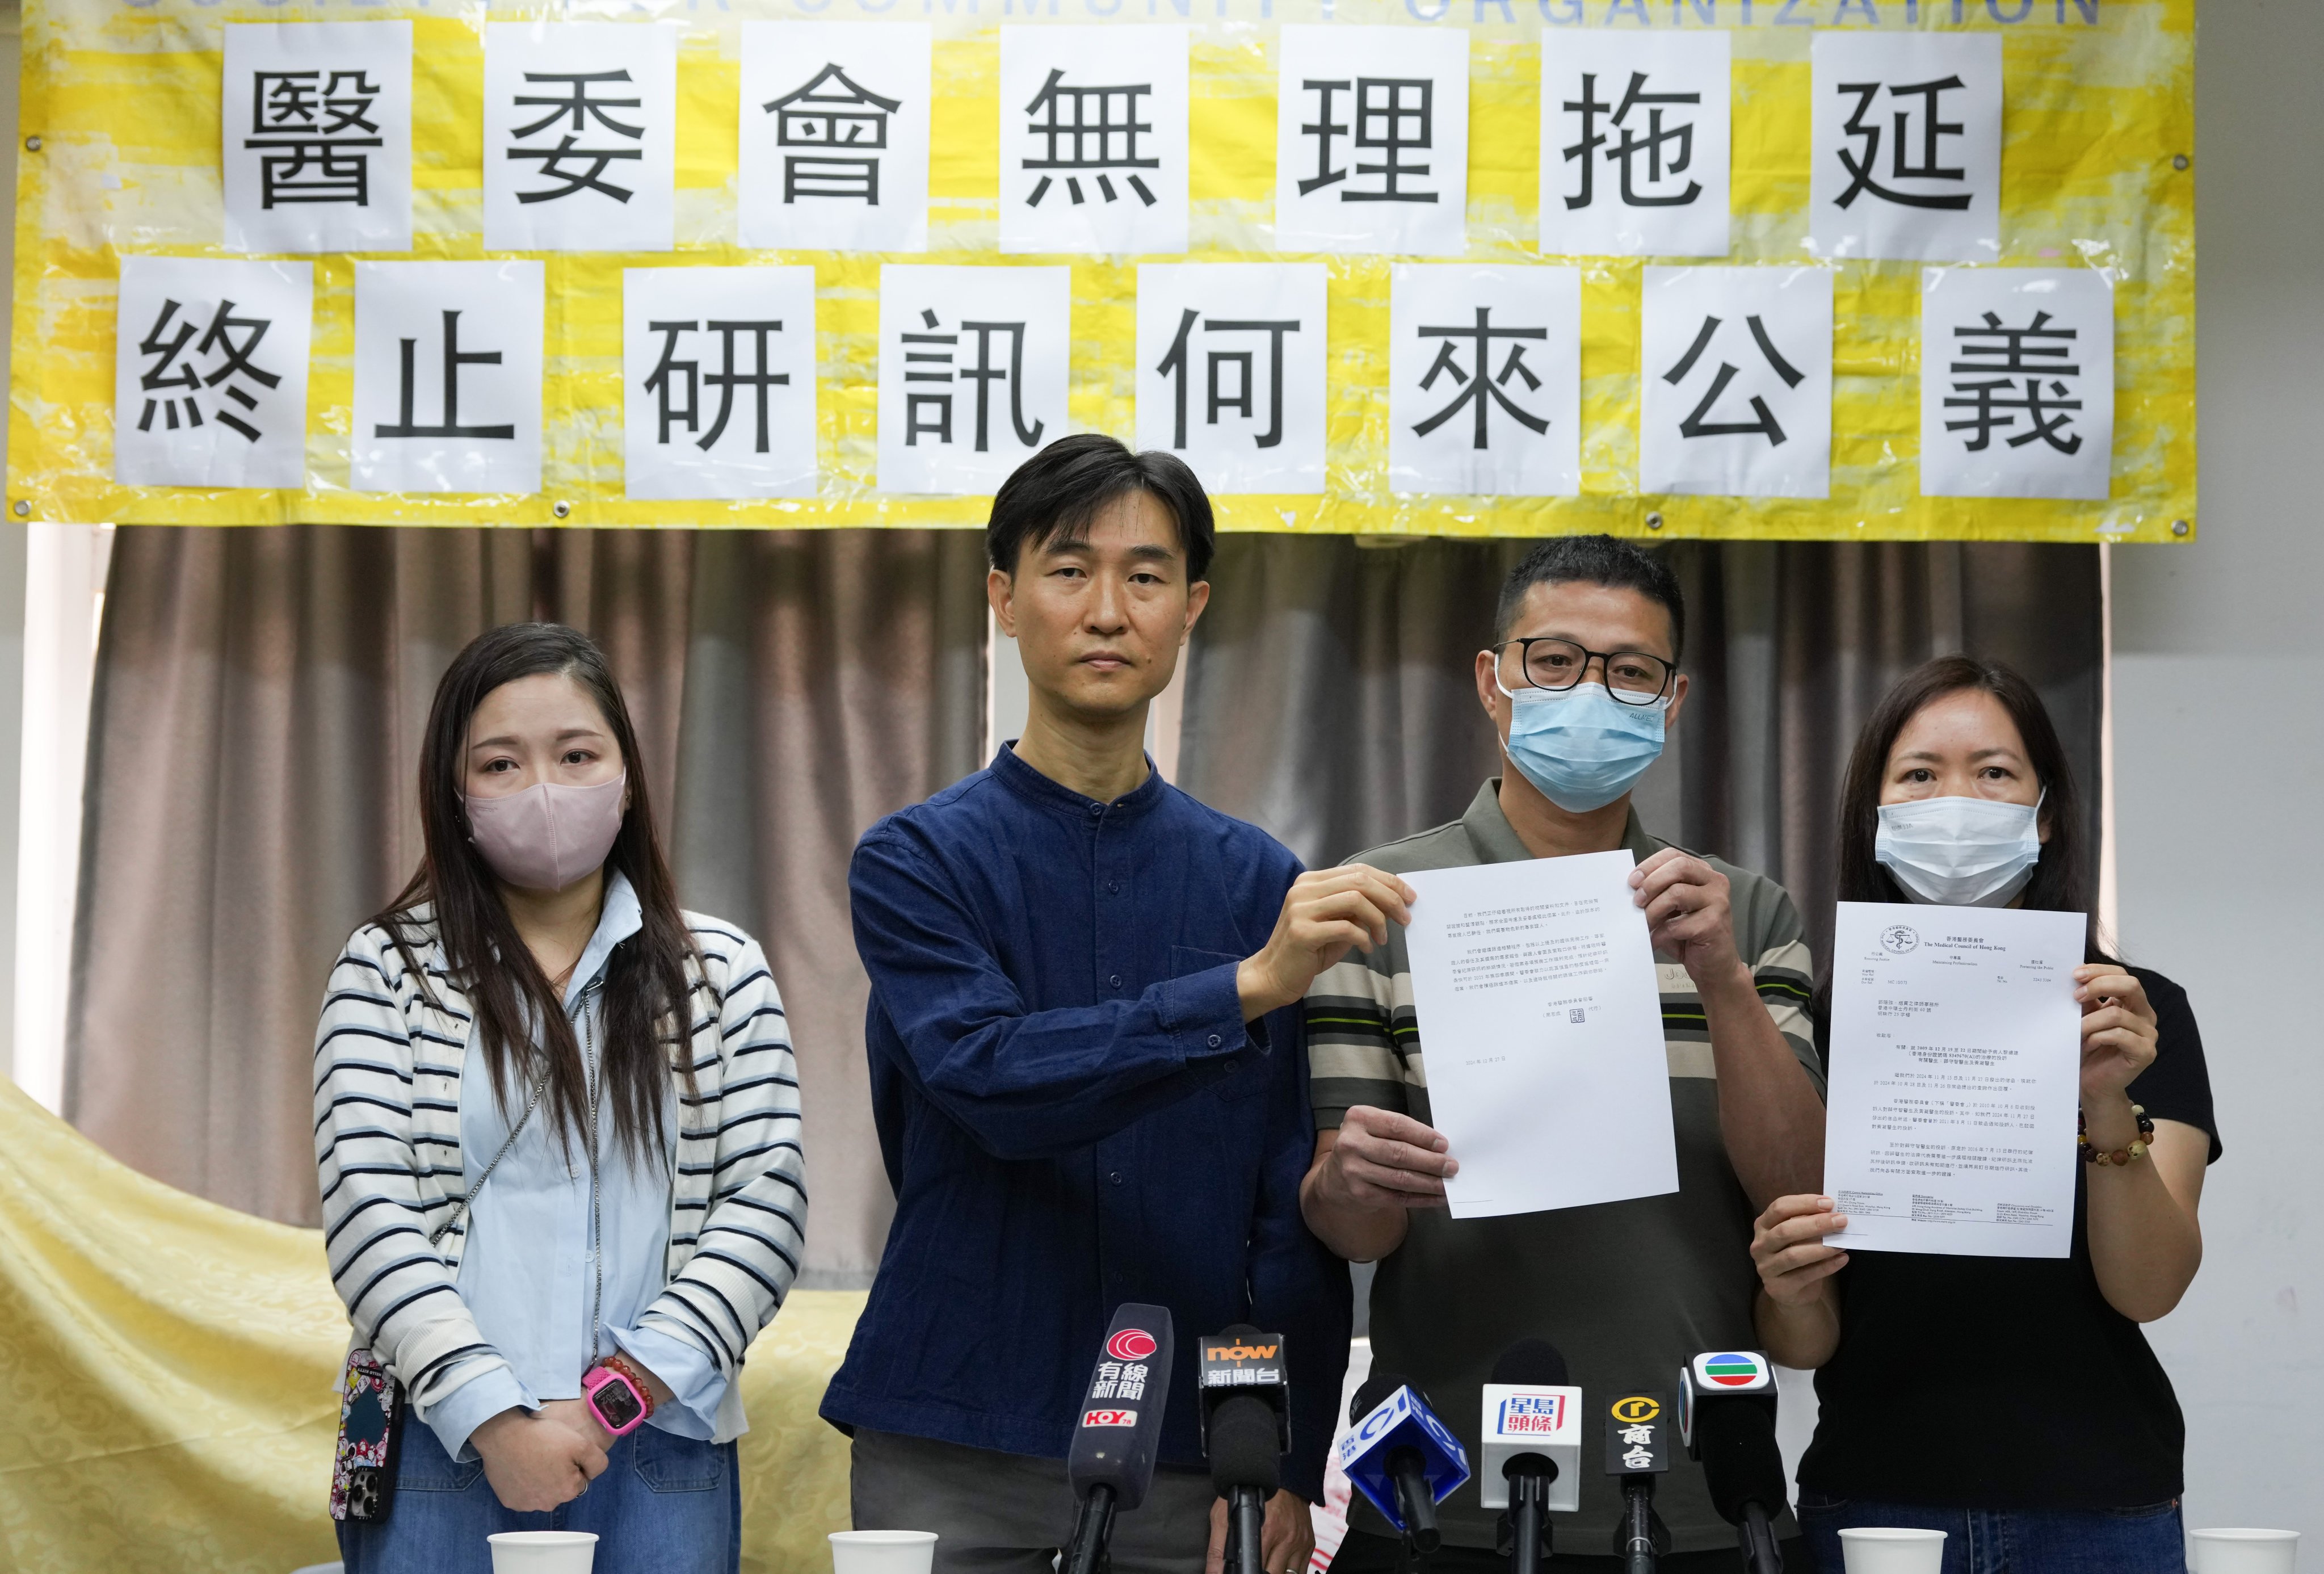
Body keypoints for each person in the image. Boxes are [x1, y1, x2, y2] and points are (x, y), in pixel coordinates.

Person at [825, 435, 1396, 1574]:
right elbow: (991, 1078)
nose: (1105, 611)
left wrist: (1286, 1463)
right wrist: (1242, 987)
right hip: (952, 1424)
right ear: (1003, 598)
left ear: (1191, 609)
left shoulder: (1260, 881)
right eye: (1068, 570)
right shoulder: (915, 860)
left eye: (1144, 577)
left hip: (1193, 1451)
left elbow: (1285, 1207)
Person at [1299, 536, 1827, 1571]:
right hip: (1439, 1490)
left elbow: (1799, 1187)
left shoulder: (1746, 911)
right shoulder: (1383, 902)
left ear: (1672, 703)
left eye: (1630, 670)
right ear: (1491, 681)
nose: (1590, 691)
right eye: (1554, 661)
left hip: (1699, 1485)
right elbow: (1354, 1228)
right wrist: (1348, 1179)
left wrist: (1720, 975)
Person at [319, 623, 807, 1574]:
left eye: (577, 755)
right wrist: (494, 1416)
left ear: (627, 777)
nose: (543, 788)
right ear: (455, 795)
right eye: (500, 763)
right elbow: (368, 1213)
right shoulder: (386, 968)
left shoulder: (720, 972)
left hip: (657, 1438)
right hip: (438, 1442)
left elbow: (764, 1208)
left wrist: (613, 1398)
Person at [1750, 656, 2218, 1572]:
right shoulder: (1818, 1024)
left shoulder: (2134, 1014)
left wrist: (2104, 1098)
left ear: (2044, 814)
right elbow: (1804, 1340)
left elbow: (2150, 1289)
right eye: (1920, 774)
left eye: (1994, 771)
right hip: (1877, 1495)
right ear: (1877, 817)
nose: (1956, 801)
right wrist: (1786, 1285)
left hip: (2098, 1504)